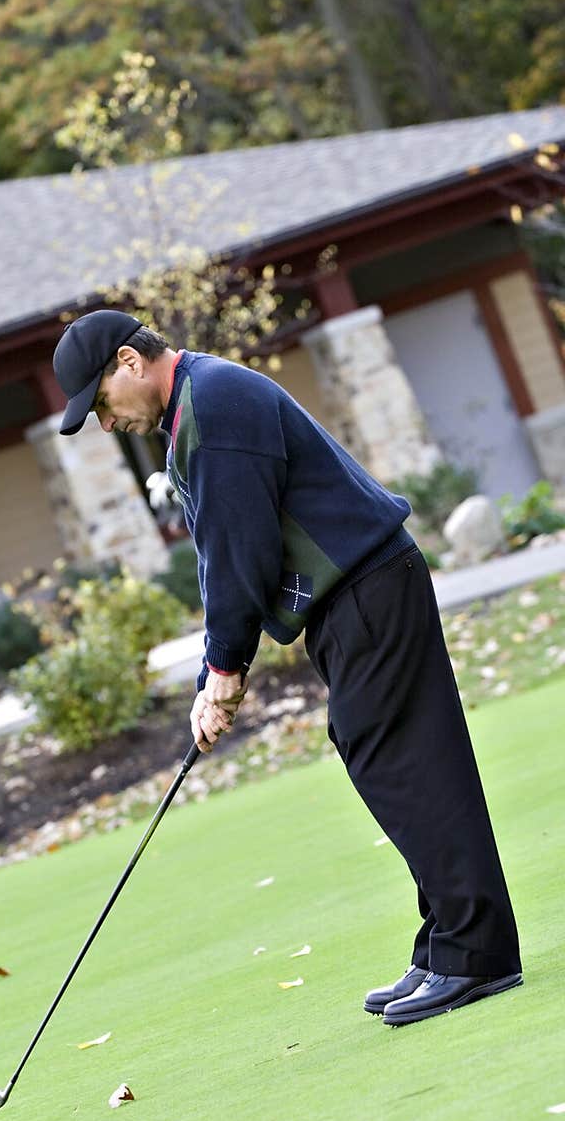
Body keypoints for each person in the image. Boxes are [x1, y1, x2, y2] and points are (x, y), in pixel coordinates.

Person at [51, 308, 523, 1027]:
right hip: (358, 593)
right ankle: (450, 943)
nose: (106, 424)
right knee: (397, 758)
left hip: (364, 587)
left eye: (101, 405)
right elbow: (224, 553)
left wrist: (223, 672)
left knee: (404, 762)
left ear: (128, 362)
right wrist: (220, 667)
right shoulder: (197, 404)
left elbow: (239, 556)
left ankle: (475, 954)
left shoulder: (212, 404)